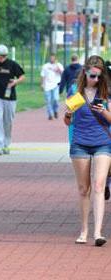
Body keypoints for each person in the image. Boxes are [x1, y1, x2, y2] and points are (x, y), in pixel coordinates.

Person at [62, 55, 111, 247]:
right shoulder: (75, 92)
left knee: (99, 186)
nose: (96, 80)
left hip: (103, 142)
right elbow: (67, 122)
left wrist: (104, 111)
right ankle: (84, 230)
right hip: (80, 143)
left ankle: (98, 232)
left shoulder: (105, 92)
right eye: (93, 76)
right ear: (85, 72)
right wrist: (67, 114)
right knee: (84, 189)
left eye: (99, 76)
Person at [40, 54, 64, 120]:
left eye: (53, 58)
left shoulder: (59, 65)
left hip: (56, 85)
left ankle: (55, 111)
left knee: (56, 99)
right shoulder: (45, 66)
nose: (52, 59)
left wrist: (58, 69)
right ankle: (50, 114)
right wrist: (42, 84)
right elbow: (42, 75)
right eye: (51, 58)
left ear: (55, 58)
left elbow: (63, 74)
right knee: (48, 101)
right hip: (47, 85)